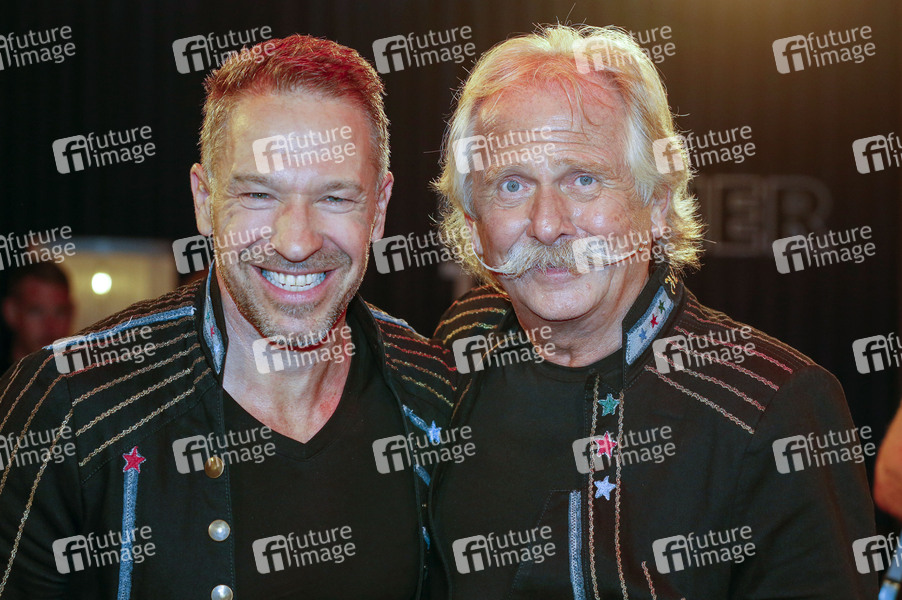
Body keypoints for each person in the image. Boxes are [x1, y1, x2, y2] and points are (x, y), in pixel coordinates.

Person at [427, 25, 878, 599]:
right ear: (473, 223)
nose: (546, 223)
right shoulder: (462, 342)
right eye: (511, 185)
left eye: (583, 179)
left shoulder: (775, 405)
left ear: (658, 204)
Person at [0, 35, 454, 599]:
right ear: (204, 200)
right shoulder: (68, 403)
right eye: (259, 195)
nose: (296, 241)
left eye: (335, 198)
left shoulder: (438, 395)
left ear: (379, 209)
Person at [1, 261, 73, 373]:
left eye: (60, 313)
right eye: (36, 312)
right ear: (11, 312)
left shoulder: (85, 379)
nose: (50, 325)